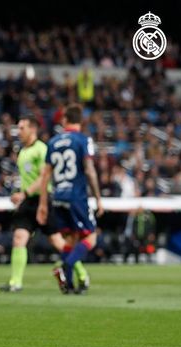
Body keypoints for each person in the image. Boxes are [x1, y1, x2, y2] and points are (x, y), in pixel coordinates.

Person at [0, 115, 87, 292]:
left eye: (22, 128)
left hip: (43, 200)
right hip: (28, 201)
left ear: (32, 129)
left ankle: (82, 274)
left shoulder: (42, 149)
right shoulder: (23, 151)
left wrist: (24, 193)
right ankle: (16, 282)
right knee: (19, 237)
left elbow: (44, 177)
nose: (18, 132)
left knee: (57, 241)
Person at [38, 103, 103, 294]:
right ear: (81, 121)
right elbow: (90, 171)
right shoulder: (83, 140)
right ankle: (66, 266)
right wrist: (98, 197)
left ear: (65, 120)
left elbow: (46, 175)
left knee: (71, 240)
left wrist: (43, 203)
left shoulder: (53, 142)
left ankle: (71, 285)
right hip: (77, 196)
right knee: (91, 237)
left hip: (58, 196)